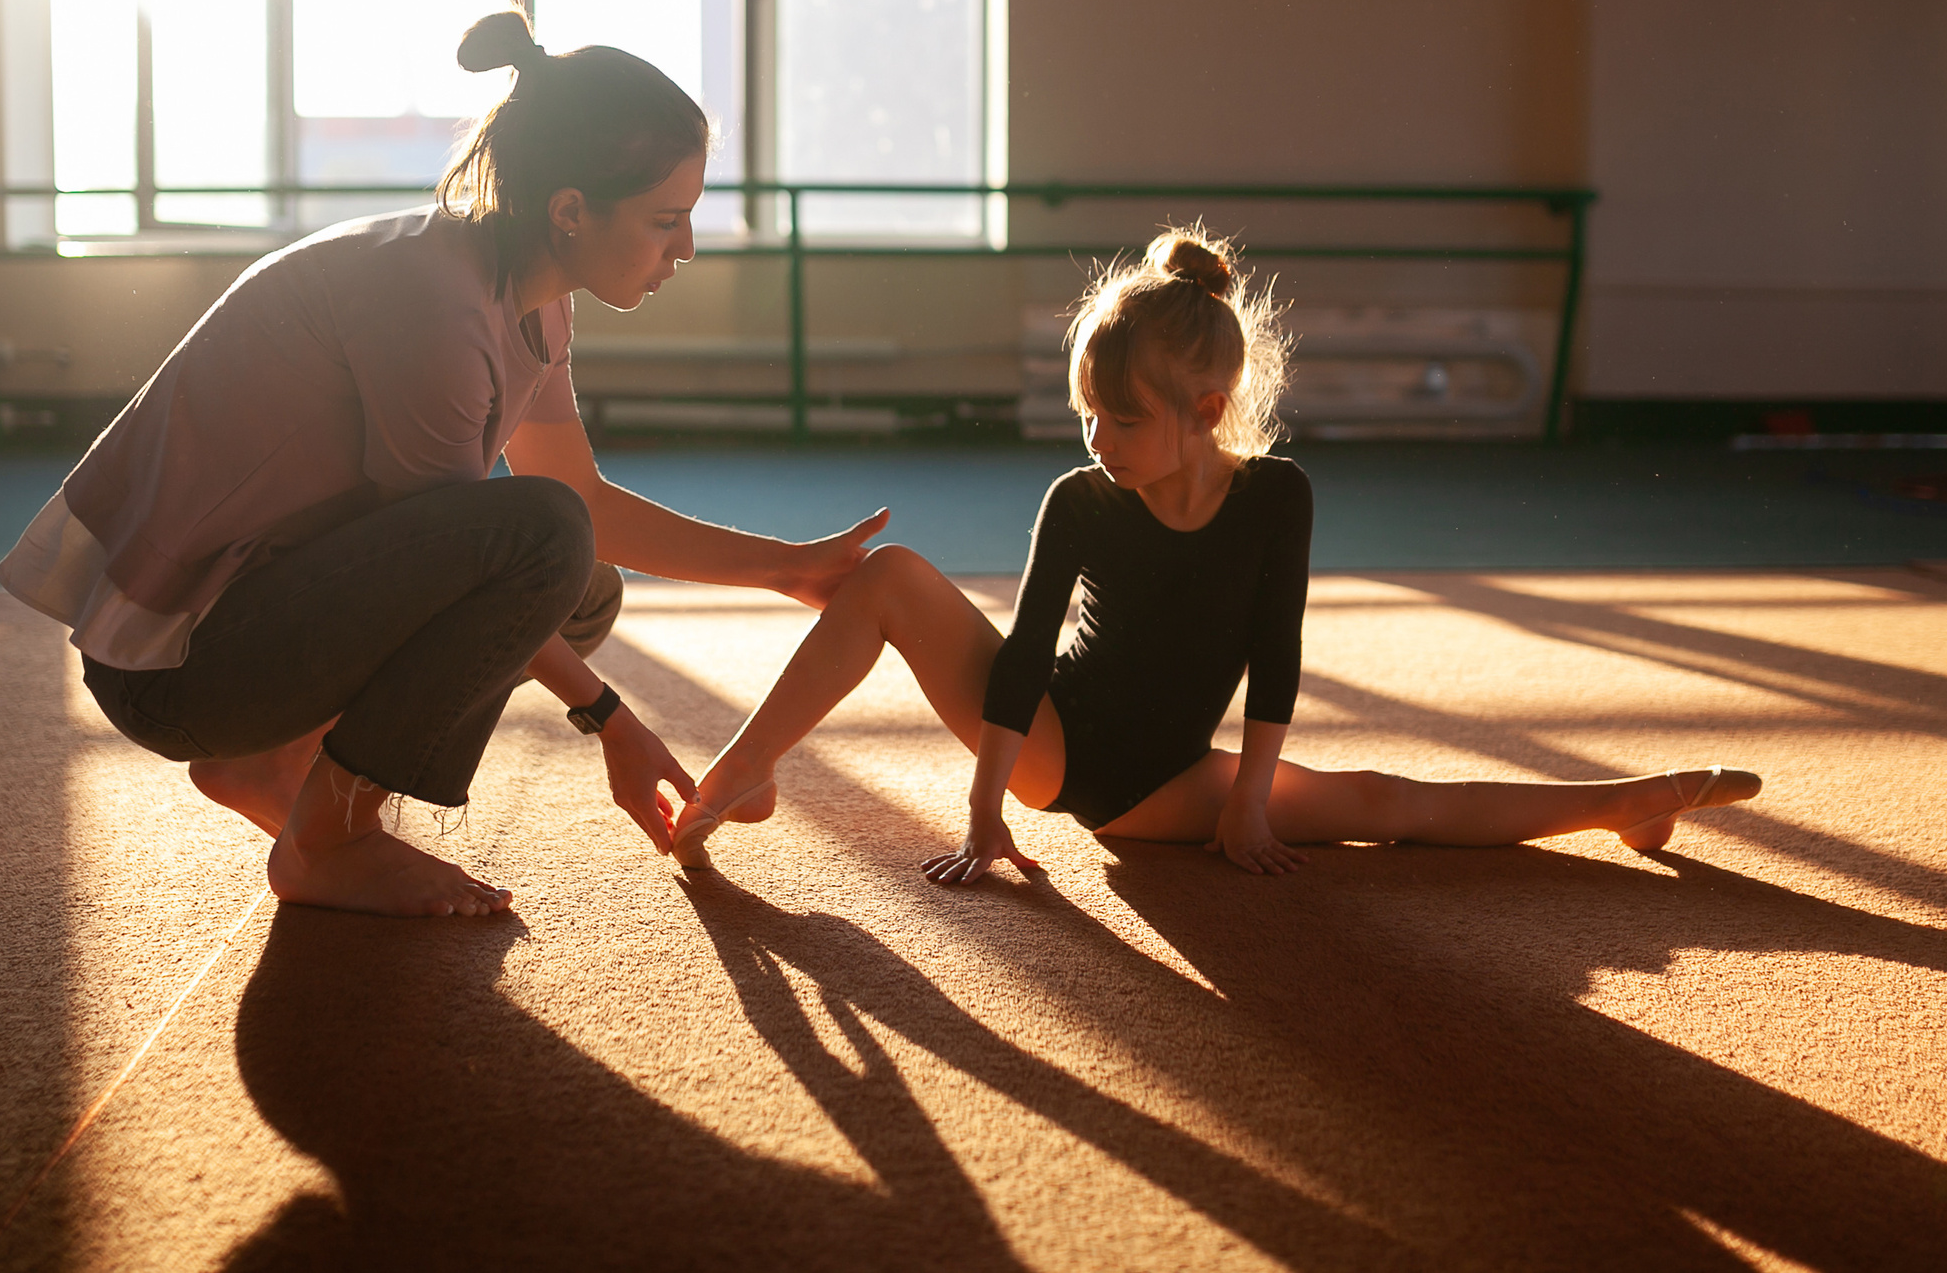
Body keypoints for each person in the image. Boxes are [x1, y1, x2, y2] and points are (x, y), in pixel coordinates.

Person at [0, 10, 886, 919]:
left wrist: (788, 567)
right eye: (667, 220)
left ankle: (271, 761)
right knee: (543, 542)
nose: (686, 248)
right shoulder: (437, 306)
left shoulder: (529, 298)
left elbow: (583, 500)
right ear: (571, 210)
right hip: (176, 673)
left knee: (582, 582)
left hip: (251, 627)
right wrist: (613, 721)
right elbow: (504, 557)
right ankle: (328, 839)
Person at [671, 226, 1760, 881]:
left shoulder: (1275, 496)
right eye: (1085, 414)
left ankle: (1626, 798)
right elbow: (1020, 660)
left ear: (1205, 407)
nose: (1098, 442)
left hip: (1171, 789)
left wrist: (1244, 801)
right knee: (893, 575)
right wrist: (987, 811)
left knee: (1387, 802)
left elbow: (1274, 650)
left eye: (1122, 421)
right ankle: (737, 768)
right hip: (1057, 742)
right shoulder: (1084, 499)